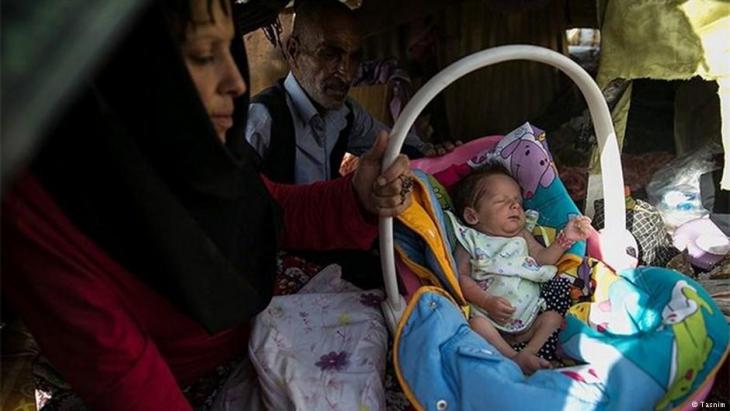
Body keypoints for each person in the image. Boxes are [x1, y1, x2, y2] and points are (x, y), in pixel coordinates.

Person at [0, 0, 414, 409]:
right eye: (202, 56)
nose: (235, 83)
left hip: (258, 333)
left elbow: (273, 209)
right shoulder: (42, 212)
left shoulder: (195, 155)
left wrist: (358, 195)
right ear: (128, 68)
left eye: (228, 51)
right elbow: (128, 381)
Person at [245, 0, 459, 185]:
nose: (346, 73)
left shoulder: (346, 114)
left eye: (354, 58)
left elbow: (394, 145)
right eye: (330, 55)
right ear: (293, 51)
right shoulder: (261, 122)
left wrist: (437, 154)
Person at [447, 163, 591, 375]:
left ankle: (528, 354)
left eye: (518, 202)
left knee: (553, 319)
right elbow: (462, 278)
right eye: (502, 201)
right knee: (476, 324)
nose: (515, 206)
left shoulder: (522, 236)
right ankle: (512, 358)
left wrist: (565, 239)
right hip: (490, 320)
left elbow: (544, 259)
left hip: (531, 320)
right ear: (472, 216)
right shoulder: (469, 240)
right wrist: (486, 301)